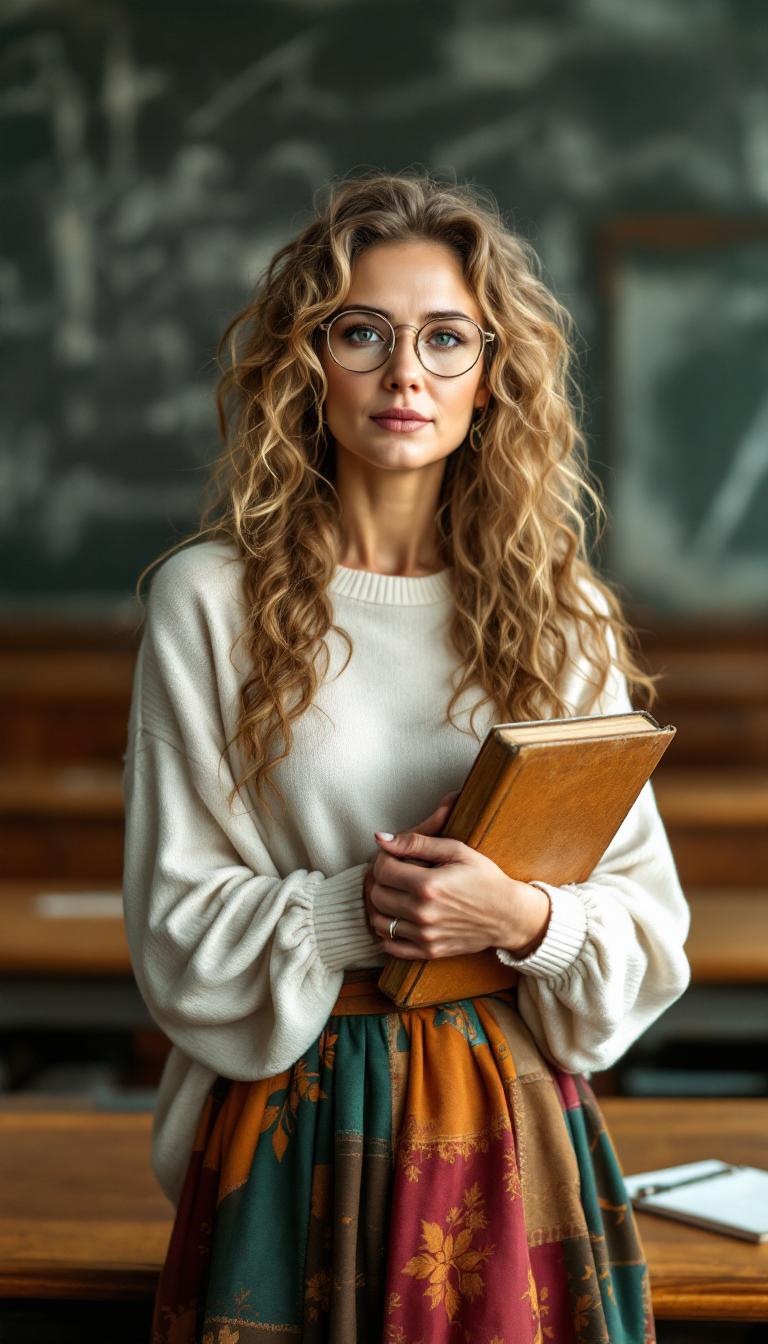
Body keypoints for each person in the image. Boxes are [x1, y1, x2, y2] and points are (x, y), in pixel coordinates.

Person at [122, 170, 690, 1344]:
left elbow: (646, 924)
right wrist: (363, 913)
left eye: (446, 339)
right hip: (297, 1119)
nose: (404, 373)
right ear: (305, 362)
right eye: (361, 333)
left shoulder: (558, 608)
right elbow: (173, 927)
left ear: (491, 379)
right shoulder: (207, 602)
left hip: (510, 1116)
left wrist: (522, 919)